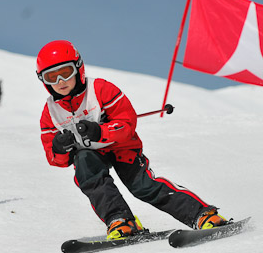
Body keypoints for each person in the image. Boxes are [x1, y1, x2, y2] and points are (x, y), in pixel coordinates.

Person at [37, 40, 230, 240]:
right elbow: (54, 157)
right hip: (91, 154)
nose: (60, 81)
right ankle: (121, 221)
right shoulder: (50, 112)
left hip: (122, 148)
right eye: (51, 77)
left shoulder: (100, 89)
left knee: (143, 186)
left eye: (65, 72)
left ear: (78, 68)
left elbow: (126, 123)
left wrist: (100, 131)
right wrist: (60, 148)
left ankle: (202, 214)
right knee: (86, 169)